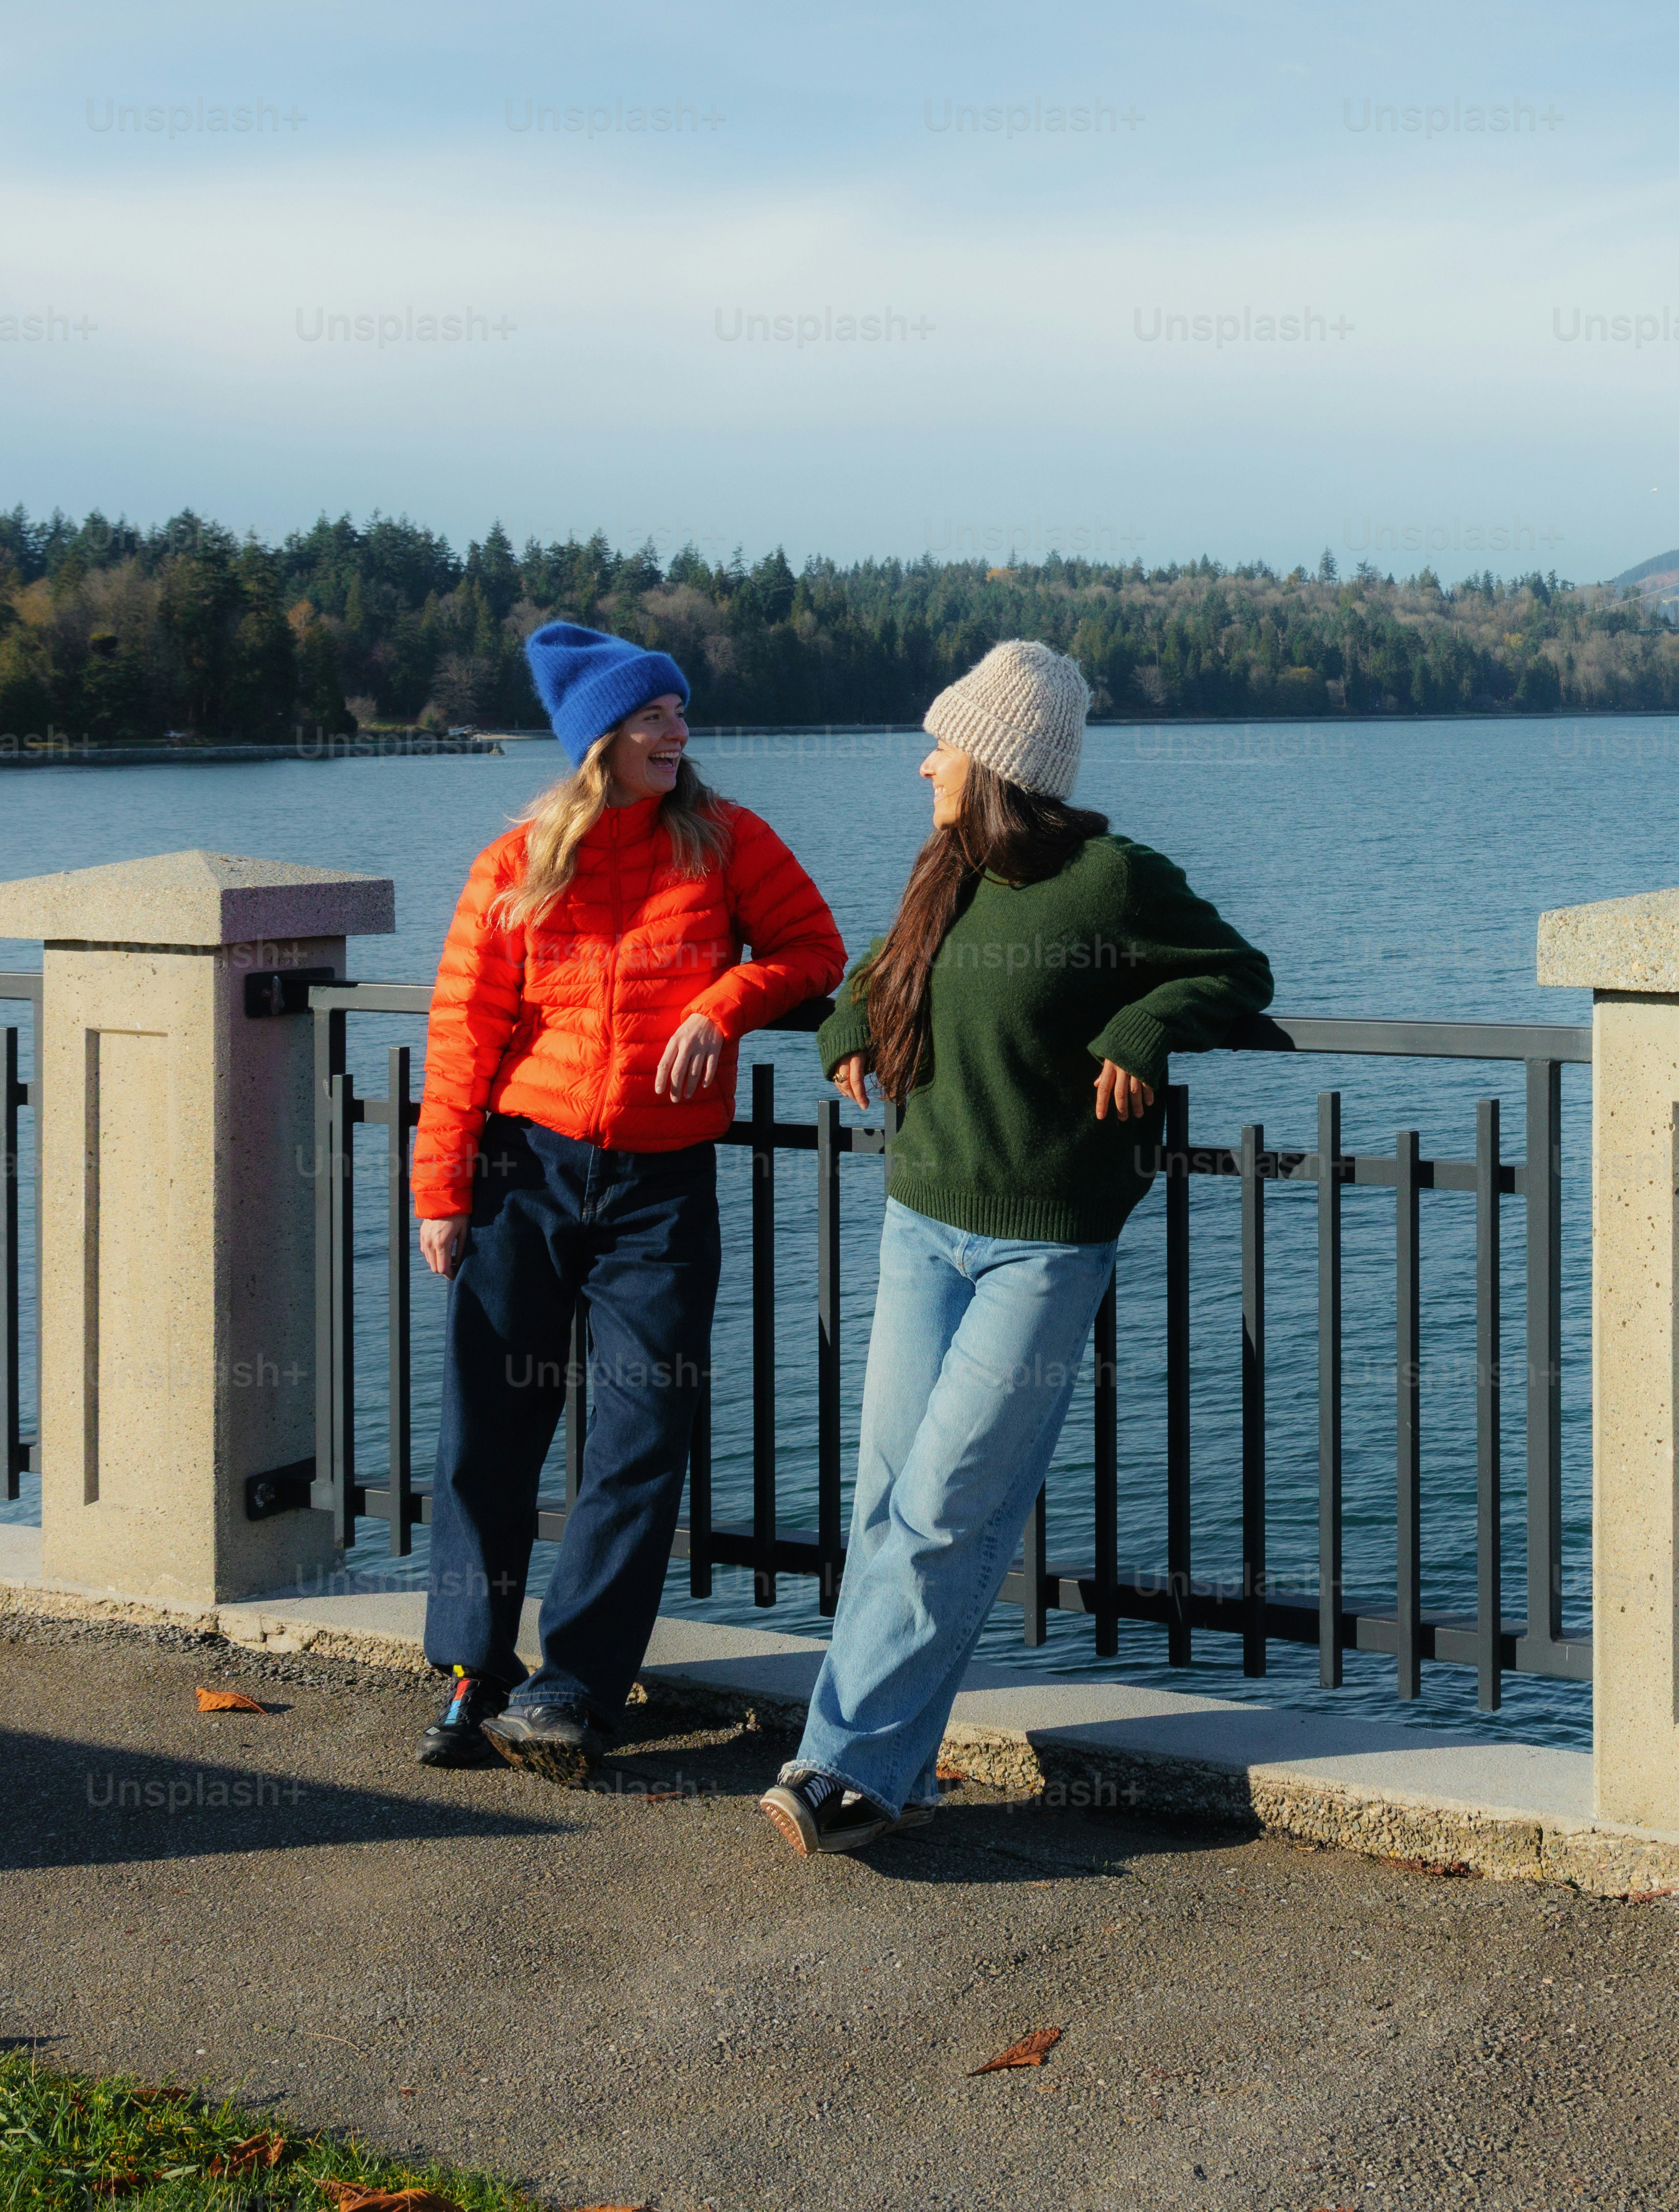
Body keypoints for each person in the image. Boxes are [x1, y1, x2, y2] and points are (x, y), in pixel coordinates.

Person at [762, 640, 1272, 1856]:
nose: (924, 762)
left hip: (1042, 1244)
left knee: (945, 1505)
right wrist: (843, 1019)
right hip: (919, 1218)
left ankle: (838, 1765)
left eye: (943, 742)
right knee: (888, 1494)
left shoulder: (1113, 878)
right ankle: (894, 1770)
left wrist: (1146, 1018)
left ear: (994, 759)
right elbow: (879, 974)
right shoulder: (946, 868)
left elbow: (1235, 970)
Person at [410, 621, 846, 1783]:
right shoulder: (515, 862)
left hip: (660, 1186)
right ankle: (470, 1673)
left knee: (640, 1434)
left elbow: (813, 948)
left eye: (679, 714)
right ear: (598, 735)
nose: (677, 732)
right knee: (489, 1433)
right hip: (524, 1168)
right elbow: (463, 1034)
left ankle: (576, 1687)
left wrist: (725, 1001)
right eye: (654, 716)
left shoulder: (726, 838)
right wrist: (442, 1187)